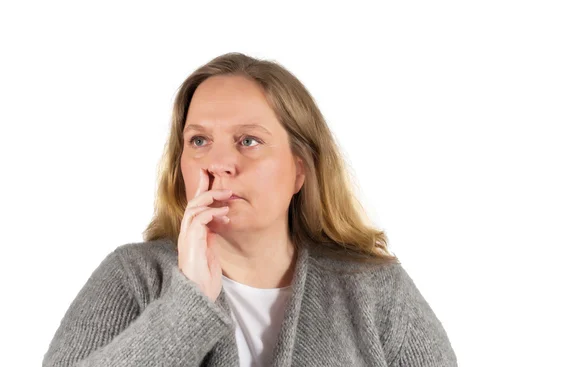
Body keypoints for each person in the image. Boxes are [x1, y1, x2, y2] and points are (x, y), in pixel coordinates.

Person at [42, 53, 458, 366]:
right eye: (199, 141)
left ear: (300, 168)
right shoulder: (132, 277)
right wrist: (187, 305)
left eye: (248, 141)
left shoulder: (375, 290)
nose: (219, 163)